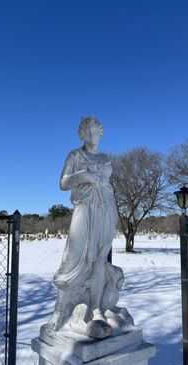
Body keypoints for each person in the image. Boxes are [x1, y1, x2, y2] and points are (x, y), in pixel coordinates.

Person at [47, 117, 130, 338]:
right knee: (71, 260)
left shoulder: (105, 158)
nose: (92, 136)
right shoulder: (75, 155)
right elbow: (63, 183)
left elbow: (107, 184)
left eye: (95, 132)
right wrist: (83, 176)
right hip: (84, 209)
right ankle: (60, 310)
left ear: (100, 134)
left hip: (105, 210)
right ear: (82, 134)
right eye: (88, 132)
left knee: (100, 261)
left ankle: (96, 310)